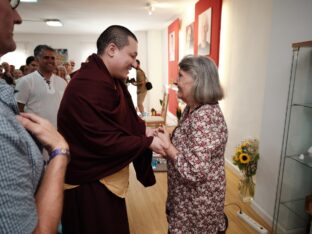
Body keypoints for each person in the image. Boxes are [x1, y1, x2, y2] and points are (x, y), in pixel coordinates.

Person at [58, 25, 165, 234]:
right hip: (89, 182)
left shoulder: (109, 79)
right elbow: (100, 141)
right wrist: (146, 142)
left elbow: (124, 119)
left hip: (103, 179)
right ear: (112, 49)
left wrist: (143, 131)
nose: (134, 64)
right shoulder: (88, 84)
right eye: (132, 56)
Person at [0, 0, 69, 233]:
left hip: (55, 138)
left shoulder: (62, 82)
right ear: (37, 60)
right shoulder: (25, 82)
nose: (51, 61)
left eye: (53, 58)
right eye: (46, 58)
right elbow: (16, 112)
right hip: (33, 144)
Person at [155, 55, 228, 233]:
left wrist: (169, 148)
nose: (175, 81)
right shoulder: (192, 108)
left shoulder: (204, 117)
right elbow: (189, 146)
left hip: (197, 205)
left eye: (180, 76)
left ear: (197, 81)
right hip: (187, 200)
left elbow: (196, 171)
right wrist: (167, 142)